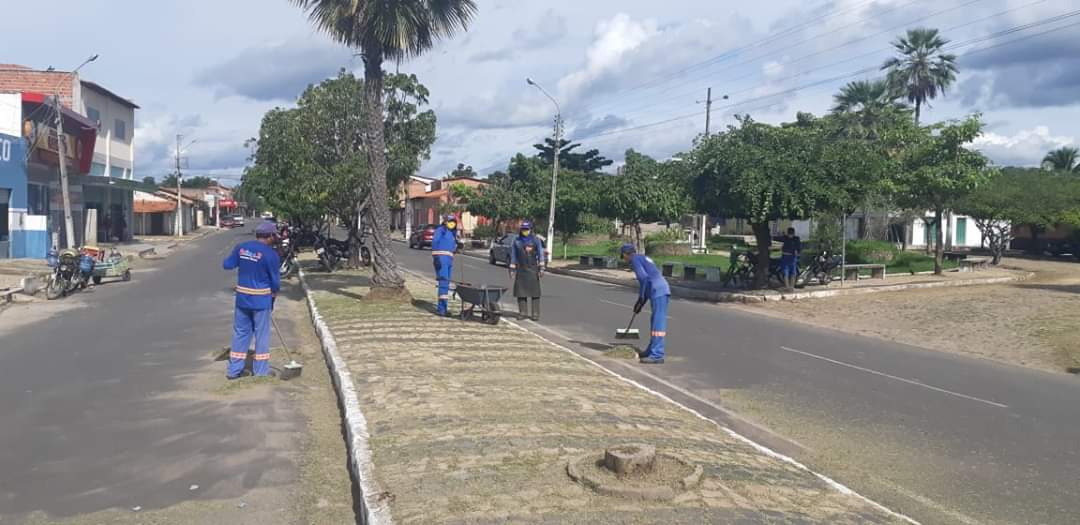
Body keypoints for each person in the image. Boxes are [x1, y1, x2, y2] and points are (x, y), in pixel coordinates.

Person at [223, 221, 281, 379]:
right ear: (270, 236)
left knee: (241, 332)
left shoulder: (241, 248)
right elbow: (275, 282)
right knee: (261, 334)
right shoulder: (271, 255)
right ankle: (261, 372)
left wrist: (243, 260)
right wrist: (274, 296)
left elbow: (227, 265)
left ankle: (234, 370)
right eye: (274, 235)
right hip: (261, 300)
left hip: (242, 299)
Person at [620, 244, 671, 364]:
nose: (624, 259)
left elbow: (644, 279)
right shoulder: (642, 258)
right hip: (657, 289)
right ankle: (651, 350)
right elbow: (648, 281)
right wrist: (641, 302)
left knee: (658, 323)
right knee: (654, 322)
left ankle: (657, 354)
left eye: (623, 256)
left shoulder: (635, 260)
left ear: (626, 254)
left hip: (658, 291)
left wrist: (641, 298)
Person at [509, 220, 545, 321]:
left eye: (527, 229)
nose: (525, 231)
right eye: (523, 229)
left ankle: (535, 314)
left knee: (535, 293)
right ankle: (522, 312)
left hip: (532, 268)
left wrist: (542, 267)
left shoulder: (535, 240)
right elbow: (513, 255)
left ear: (530, 229)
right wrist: (512, 268)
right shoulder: (517, 241)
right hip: (521, 269)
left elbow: (540, 253)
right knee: (520, 292)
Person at [431, 214, 459, 316]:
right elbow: (435, 243)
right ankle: (441, 310)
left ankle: (444, 308)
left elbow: (452, 248)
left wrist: (457, 247)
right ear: (445, 222)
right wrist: (436, 258)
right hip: (441, 260)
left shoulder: (452, 234)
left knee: (446, 284)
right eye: (450, 221)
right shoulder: (440, 230)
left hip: (449, 261)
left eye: (453, 222)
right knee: (443, 283)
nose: (452, 224)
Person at [781, 227, 801, 291]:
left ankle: (791, 287)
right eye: (789, 234)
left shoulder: (796, 239)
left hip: (792, 257)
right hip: (785, 257)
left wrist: (797, 252)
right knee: (785, 272)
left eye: (791, 234)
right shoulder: (784, 238)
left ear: (793, 233)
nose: (790, 235)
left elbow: (799, 247)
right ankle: (787, 287)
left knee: (793, 272)